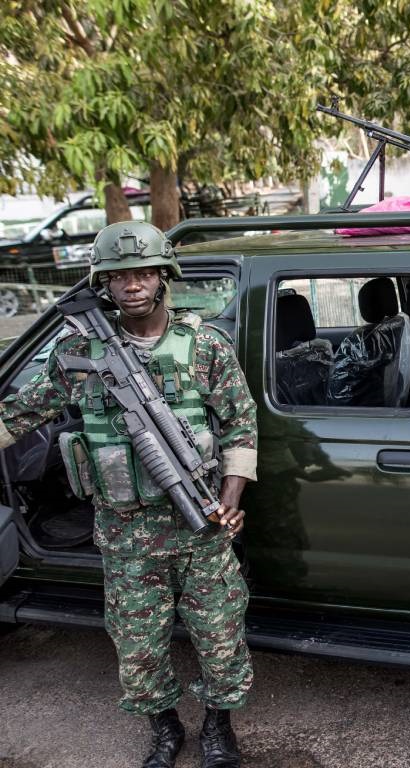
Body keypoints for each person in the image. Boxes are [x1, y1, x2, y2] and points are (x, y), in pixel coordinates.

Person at [0, 221, 258, 768]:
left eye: (144, 272)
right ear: (104, 285)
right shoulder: (78, 349)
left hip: (201, 527)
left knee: (220, 635)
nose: (133, 284)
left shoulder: (205, 345)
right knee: (138, 645)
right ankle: (164, 729)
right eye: (119, 276)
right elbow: (20, 413)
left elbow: (240, 423)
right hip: (125, 532)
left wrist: (232, 496)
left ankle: (218, 726)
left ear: (165, 277)